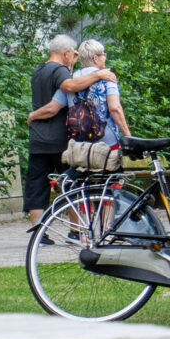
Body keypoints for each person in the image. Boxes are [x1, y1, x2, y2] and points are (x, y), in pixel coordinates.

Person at [22, 34, 107, 223]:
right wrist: (99, 74)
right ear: (66, 52)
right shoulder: (60, 71)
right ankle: (76, 230)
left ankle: (39, 233)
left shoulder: (39, 70)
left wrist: (33, 115)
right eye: (73, 52)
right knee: (72, 185)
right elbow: (68, 86)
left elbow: (63, 81)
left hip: (38, 139)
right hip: (60, 140)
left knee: (37, 186)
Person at [74, 40, 130, 146]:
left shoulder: (73, 78)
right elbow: (115, 108)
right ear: (95, 58)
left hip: (80, 141)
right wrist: (128, 135)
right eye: (104, 54)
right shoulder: (108, 77)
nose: (105, 57)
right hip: (107, 140)